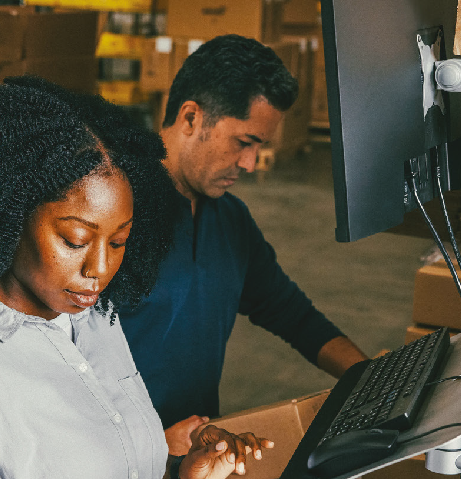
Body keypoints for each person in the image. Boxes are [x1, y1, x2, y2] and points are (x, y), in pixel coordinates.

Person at [0, 77, 272, 478]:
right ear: (8, 216)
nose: (99, 270)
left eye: (119, 241)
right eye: (75, 239)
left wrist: (180, 474)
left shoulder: (92, 318)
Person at [119, 35, 370, 454]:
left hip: (194, 457)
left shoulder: (230, 220)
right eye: (244, 142)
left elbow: (291, 313)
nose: (251, 164)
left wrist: (371, 378)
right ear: (191, 118)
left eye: (260, 147)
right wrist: (143, 447)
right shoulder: (112, 215)